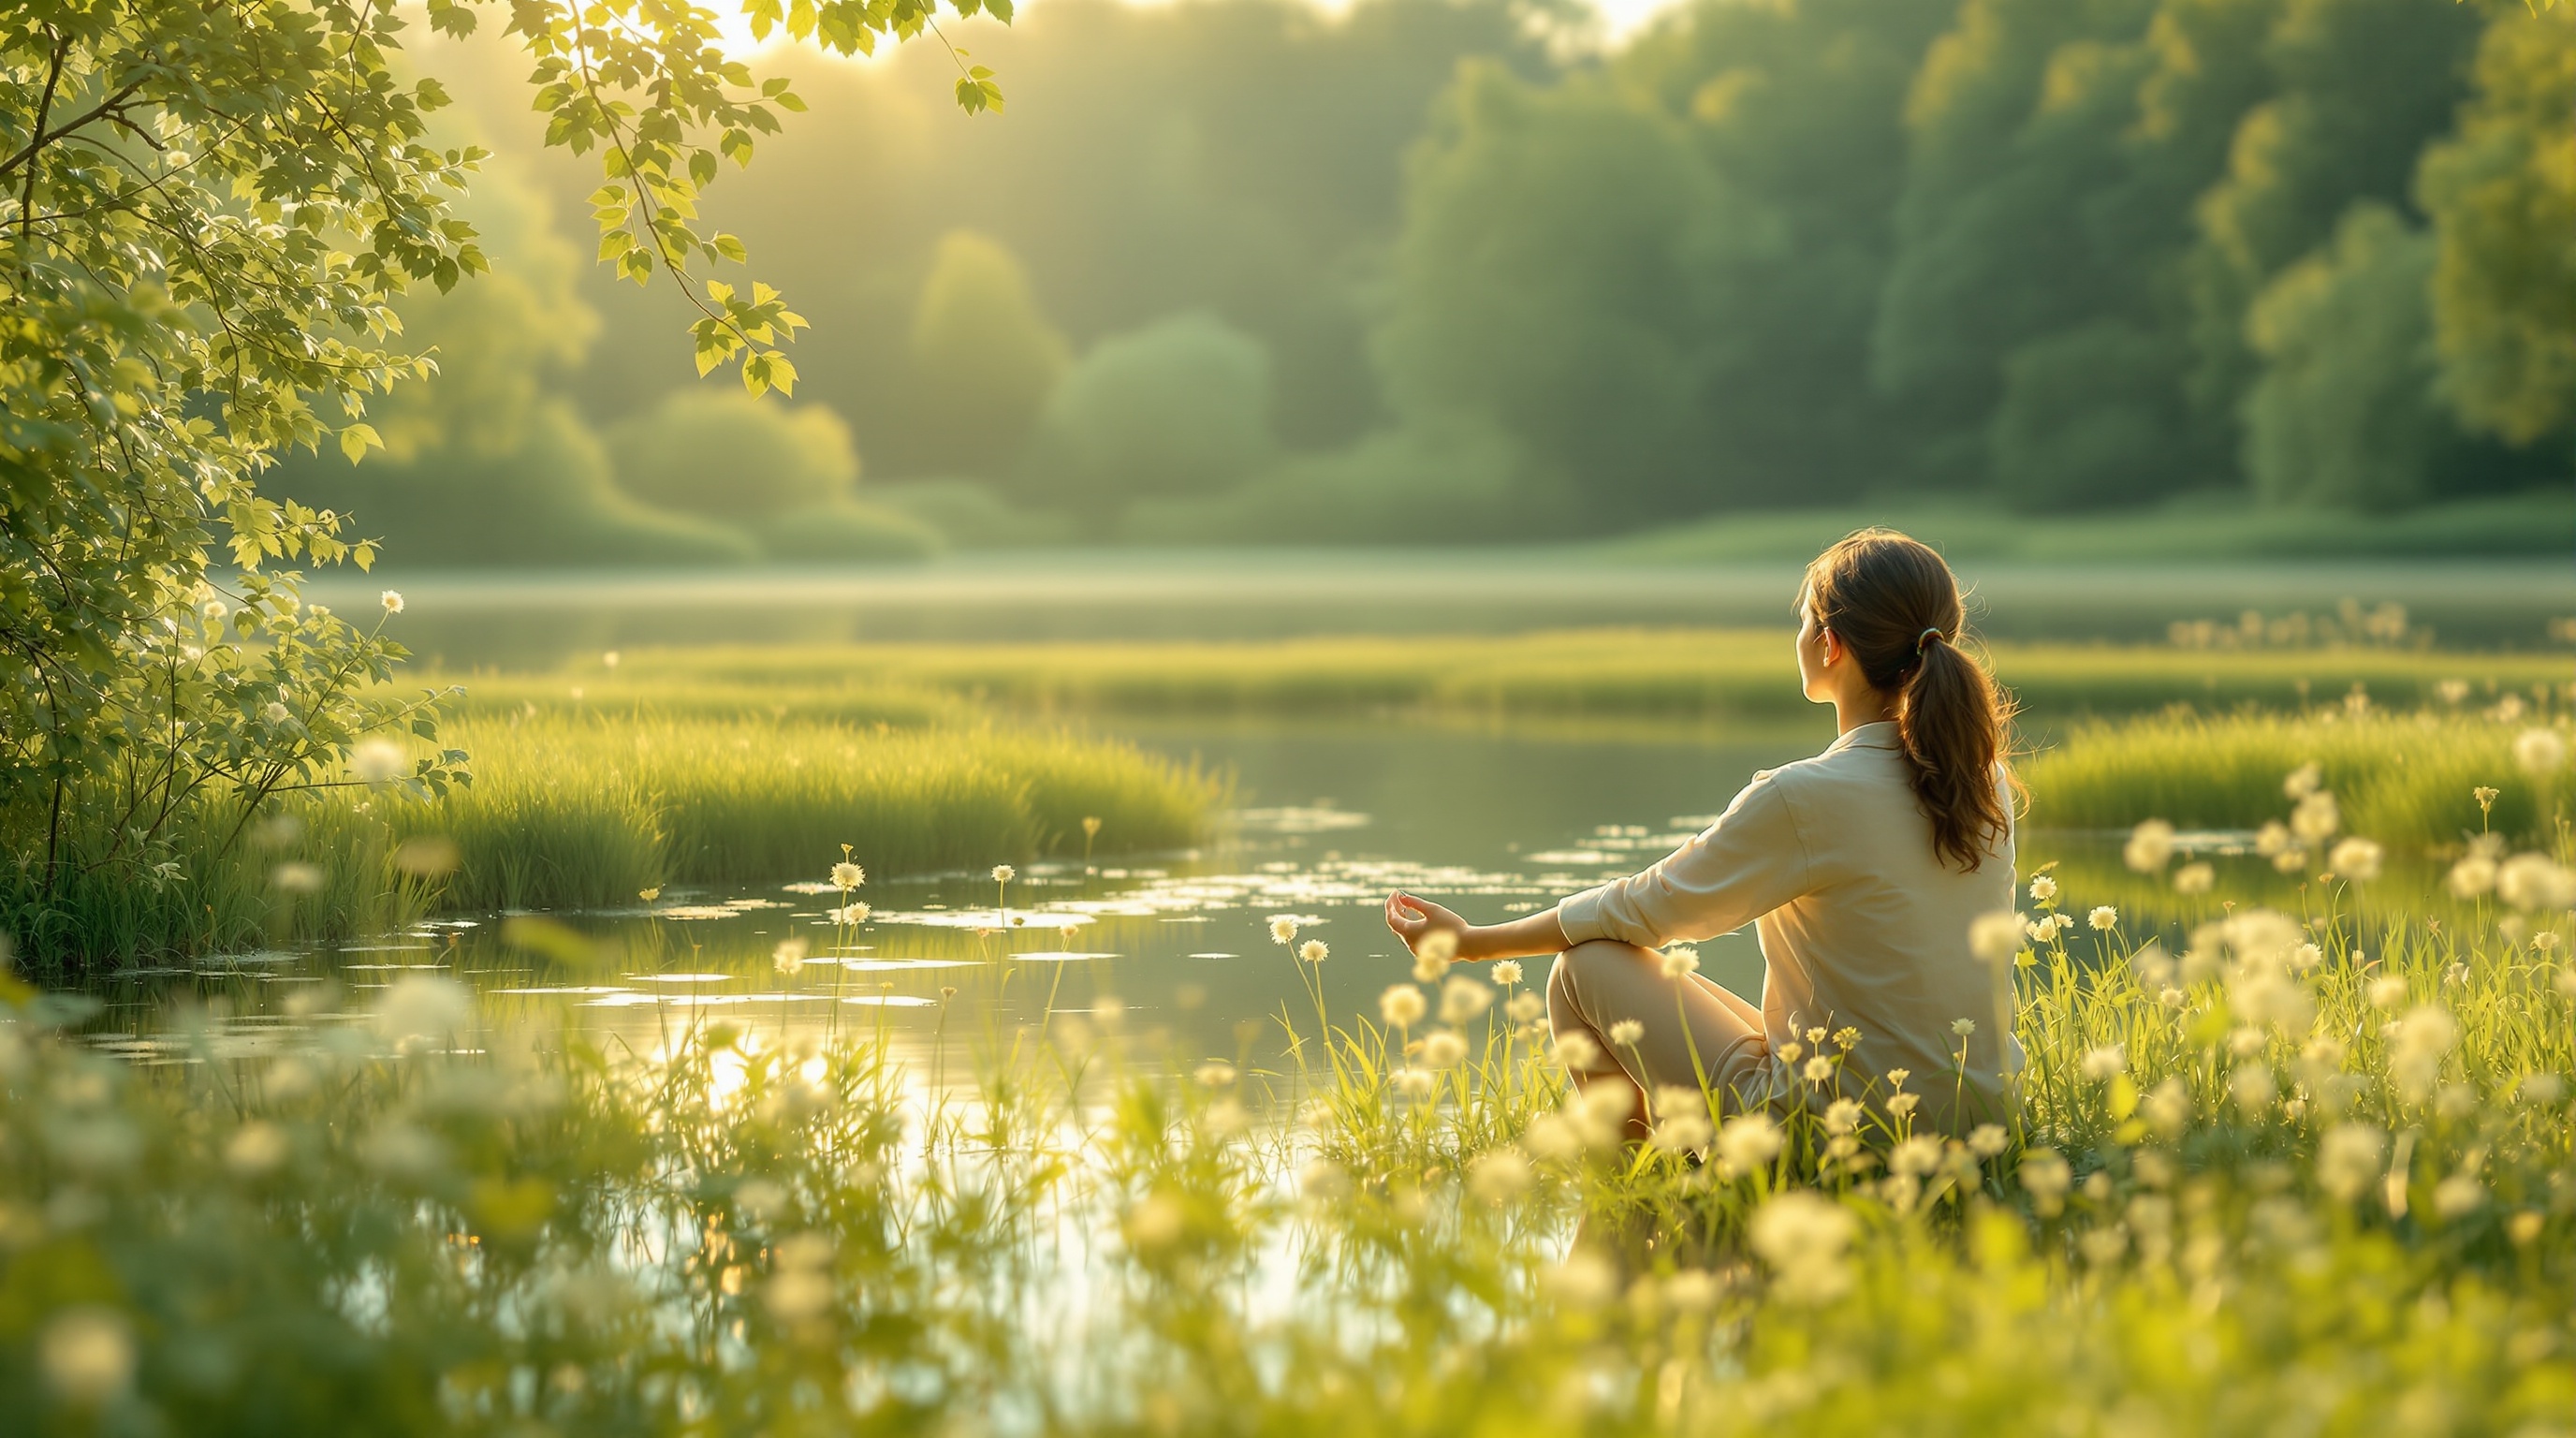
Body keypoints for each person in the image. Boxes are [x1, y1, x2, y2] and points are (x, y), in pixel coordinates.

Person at [1383, 529, 2024, 1135]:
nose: (1798, 636)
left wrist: (1470, 943)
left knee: (1586, 966)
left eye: (1802, 620)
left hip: (1845, 1130)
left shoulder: (1804, 796)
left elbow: (1642, 908)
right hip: (1978, 1120)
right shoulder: (1979, 778)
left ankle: (1633, 1194)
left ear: (1829, 645)